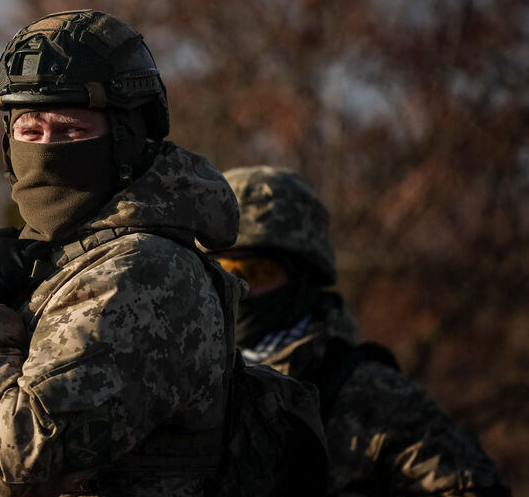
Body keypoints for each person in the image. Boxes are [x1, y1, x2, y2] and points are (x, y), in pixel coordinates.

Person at [0, 9, 247, 496]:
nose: (46, 150)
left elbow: (24, 459)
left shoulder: (147, 272)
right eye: (30, 132)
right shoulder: (43, 258)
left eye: (71, 131)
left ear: (126, 137)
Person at [209, 165, 511, 496]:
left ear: (304, 278)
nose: (238, 288)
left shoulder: (373, 396)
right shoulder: (180, 381)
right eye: (221, 270)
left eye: (257, 272)